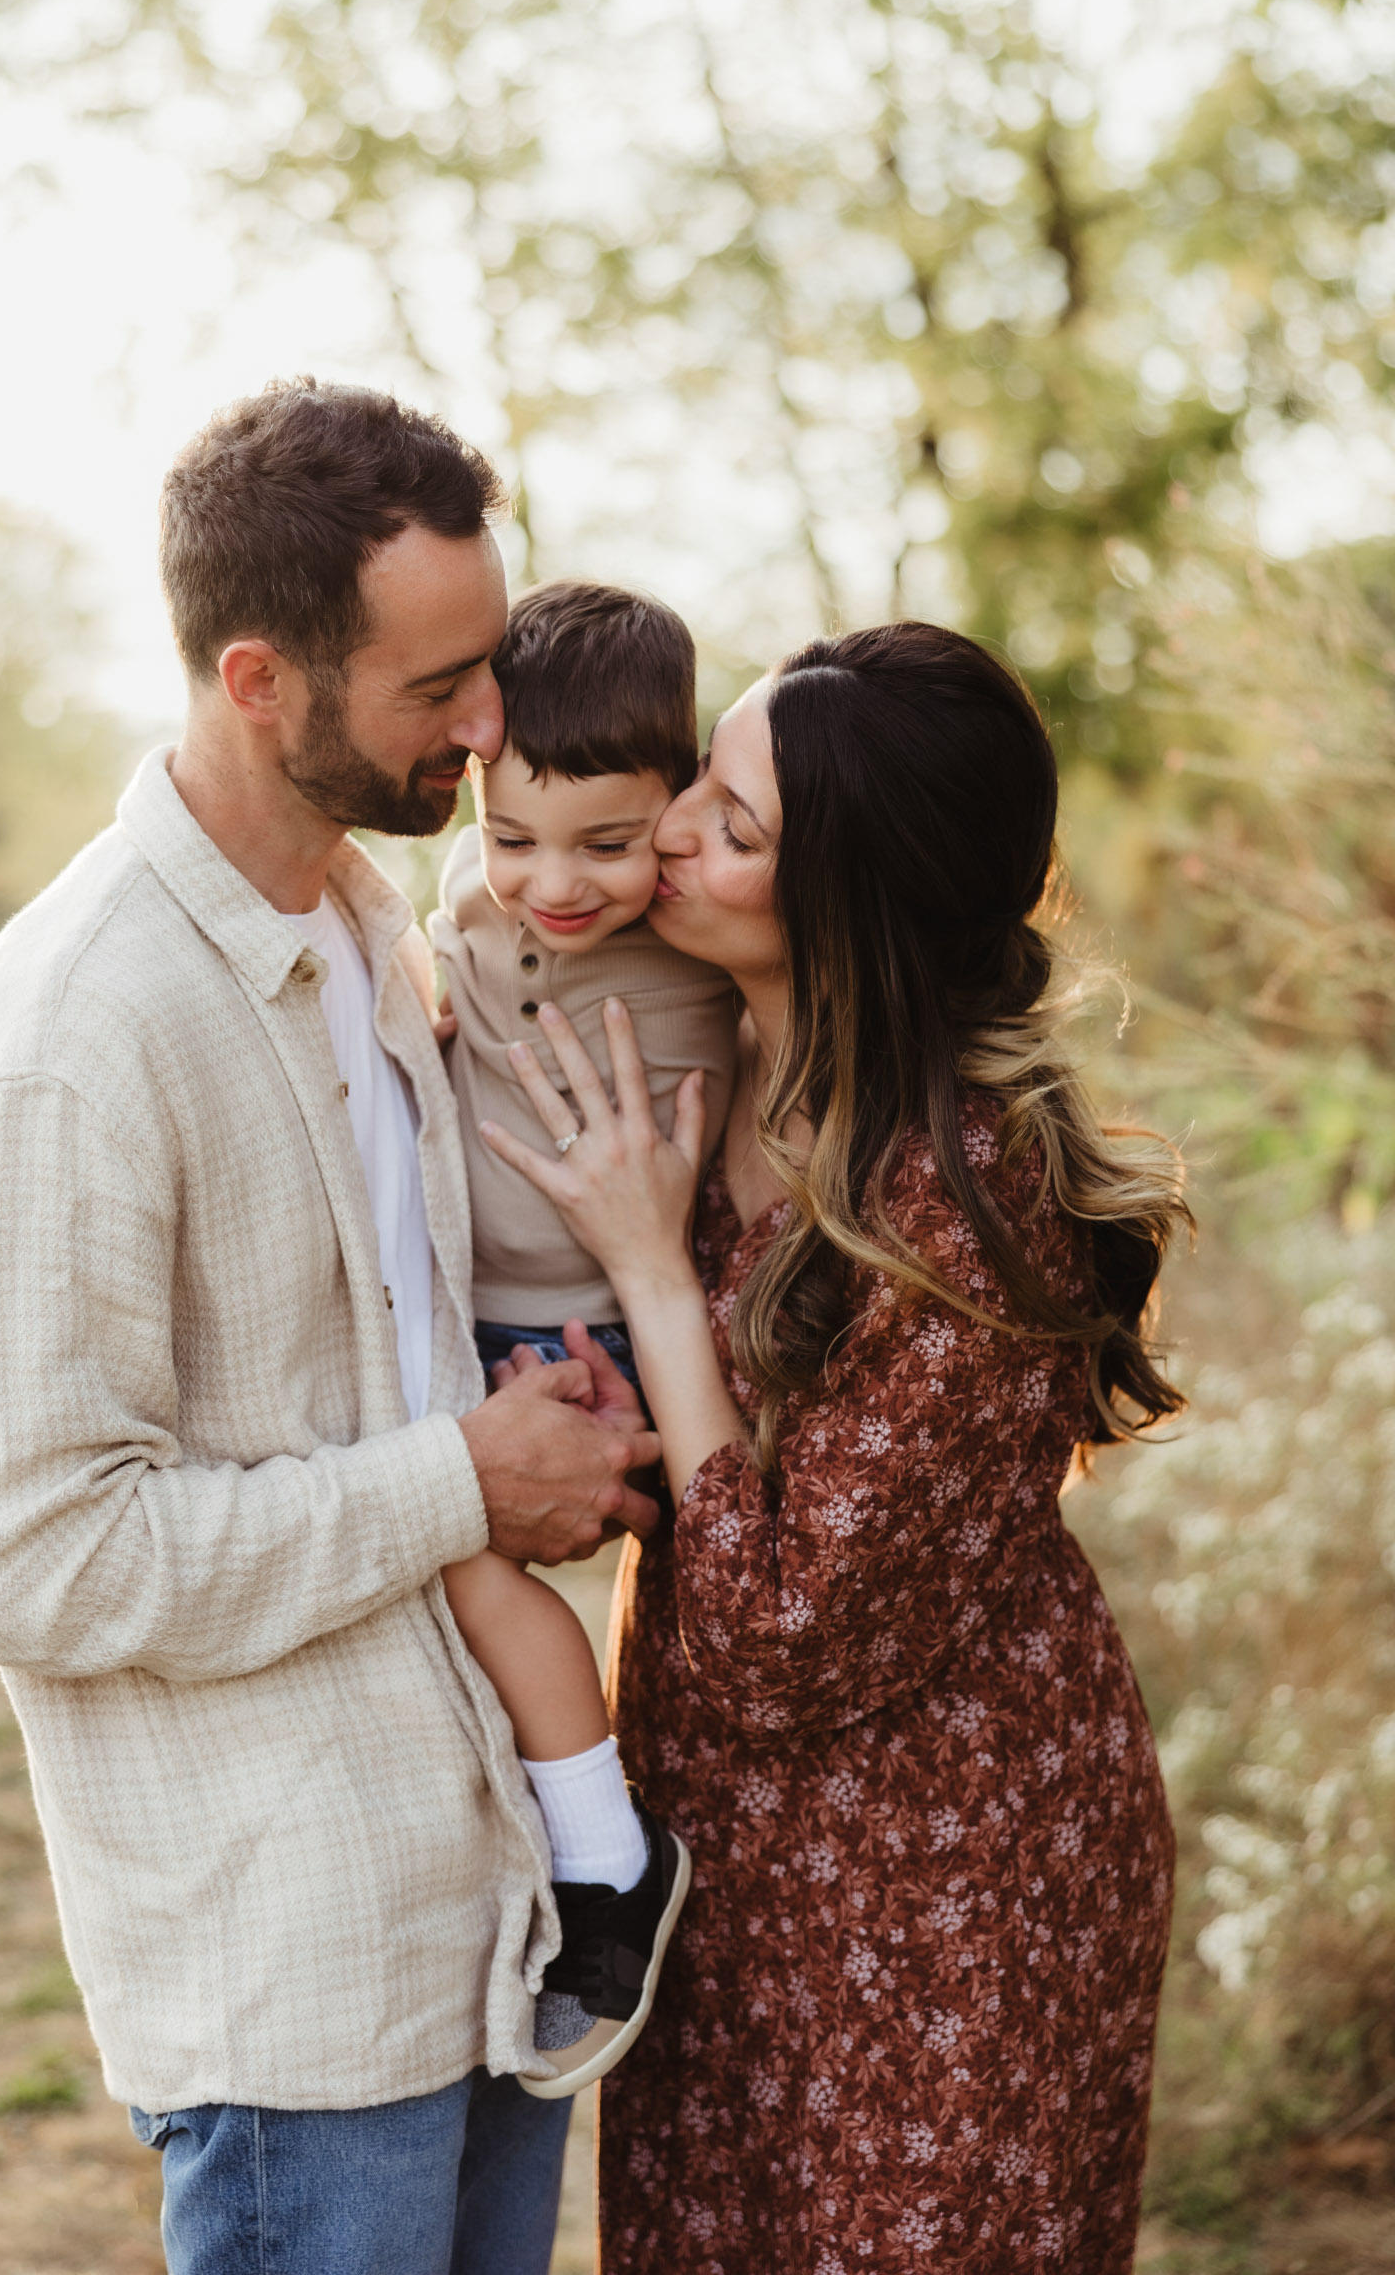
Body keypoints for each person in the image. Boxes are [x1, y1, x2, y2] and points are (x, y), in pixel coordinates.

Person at [0, 378, 663, 2275]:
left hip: (481, 1912)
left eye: (487, 663)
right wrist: (462, 1481)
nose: (491, 726)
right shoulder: (73, 1039)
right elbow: (34, 1559)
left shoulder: (375, 931)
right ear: (260, 682)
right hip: (290, 1987)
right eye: (437, 690)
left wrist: (540, 1411)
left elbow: (384, 1360)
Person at [481, 623, 1191, 2273]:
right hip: (732, 1877)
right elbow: (721, 1474)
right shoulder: (706, 1059)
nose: (671, 837)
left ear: (849, 901)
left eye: (730, 824)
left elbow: (785, 1636)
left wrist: (653, 1269)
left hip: (948, 1885)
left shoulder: (970, 1183)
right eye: (702, 790)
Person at [430, 580, 740, 2095]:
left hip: (634, 1324)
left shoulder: (708, 948)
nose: (553, 883)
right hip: (482, 1320)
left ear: (675, 814)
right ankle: (583, 1851)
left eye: (607, 845)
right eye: (513, 838)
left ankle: (610, 1861)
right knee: (461, 1563)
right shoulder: (457, 917)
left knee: (674, 1589)